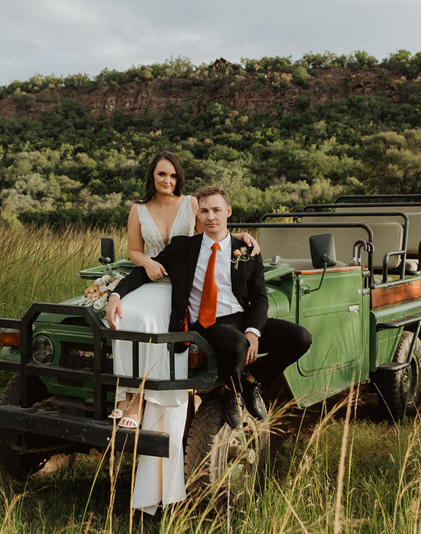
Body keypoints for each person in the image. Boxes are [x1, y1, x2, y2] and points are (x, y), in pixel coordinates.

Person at [107, 185, 312, 492]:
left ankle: (252, 381)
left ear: (227, 212)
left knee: (300, 338)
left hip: (241, 317)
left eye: (216, 210)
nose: (210, 216)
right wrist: (115, 295)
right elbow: (141, 273)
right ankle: (232, 392)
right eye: (204, 211)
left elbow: (259, 298)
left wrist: (254, 330)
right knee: (235, 344)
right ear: (198, 215)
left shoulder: (246, 250)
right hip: (208, 322)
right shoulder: (183, 247)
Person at [107, 153, 258, 514]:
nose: (168, 181)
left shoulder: (191, 204)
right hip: (155, 271)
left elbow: (211, 227)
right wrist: (122, 287)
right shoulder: (138, 209)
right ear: (152, 175)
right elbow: (135, 251)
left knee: (148, 320)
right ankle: (128, 393)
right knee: (127, 314)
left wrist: (238, 236)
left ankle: (145, 395)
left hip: (181, 284)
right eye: (162, 174)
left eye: (173, 175)